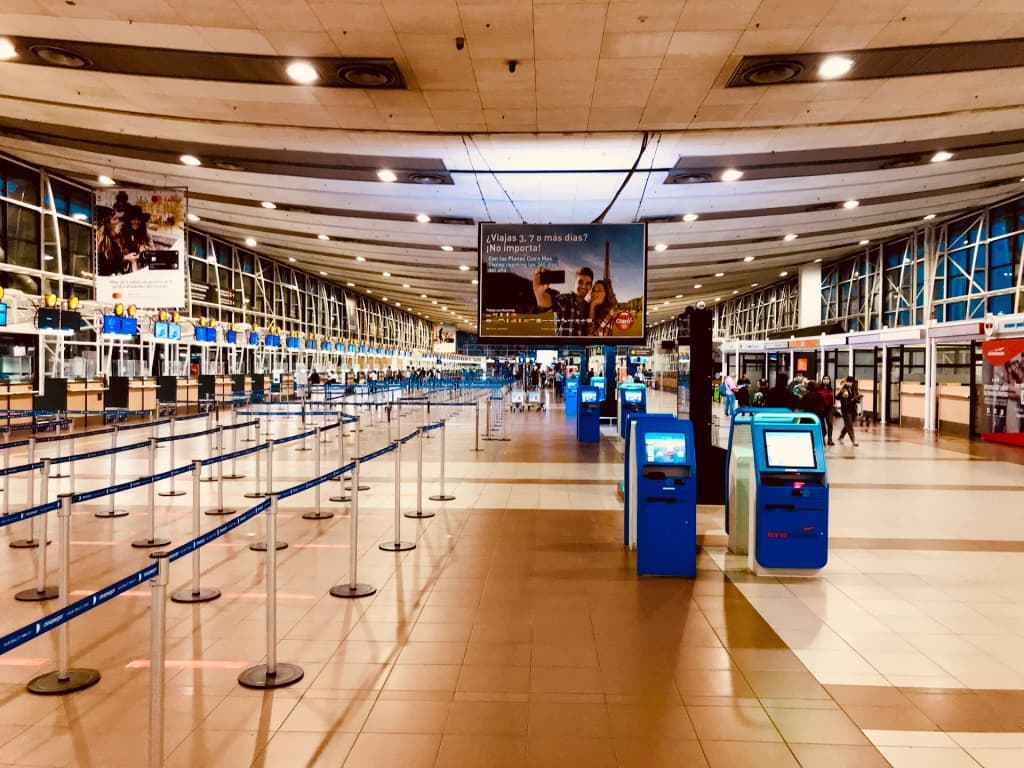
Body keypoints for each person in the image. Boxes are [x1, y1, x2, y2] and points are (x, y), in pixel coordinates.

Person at [533, 266, 594, 336]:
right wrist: (539, 293)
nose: (583, 286)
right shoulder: (564, 299)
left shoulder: (589, 307)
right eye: (580, 282)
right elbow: (547, 304)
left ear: (591, 286)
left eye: (588, 283)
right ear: (574, 283)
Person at [836, 376, 860, 446]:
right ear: (846, 382)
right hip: (846, 410)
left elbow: (854, 399)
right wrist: (841, 393)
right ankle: (853, 440)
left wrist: (857, 398)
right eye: (848, 381)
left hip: (853, 409)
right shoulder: (843, 389)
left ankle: (841, 435)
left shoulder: (853, 390)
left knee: (849, 424)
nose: (850, 383)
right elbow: (837, 397)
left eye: (851, 382)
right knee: (849, 425)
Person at [820, 375, 836, 445]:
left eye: (827, 379)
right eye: (824, 379)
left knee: (830, 423)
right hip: (821, 408)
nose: (826, 380)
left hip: (829, 408)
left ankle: (830, 439)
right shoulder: (819, 388)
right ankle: (822, 438)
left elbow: (832, 399)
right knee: (821, 424)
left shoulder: (831, 389)